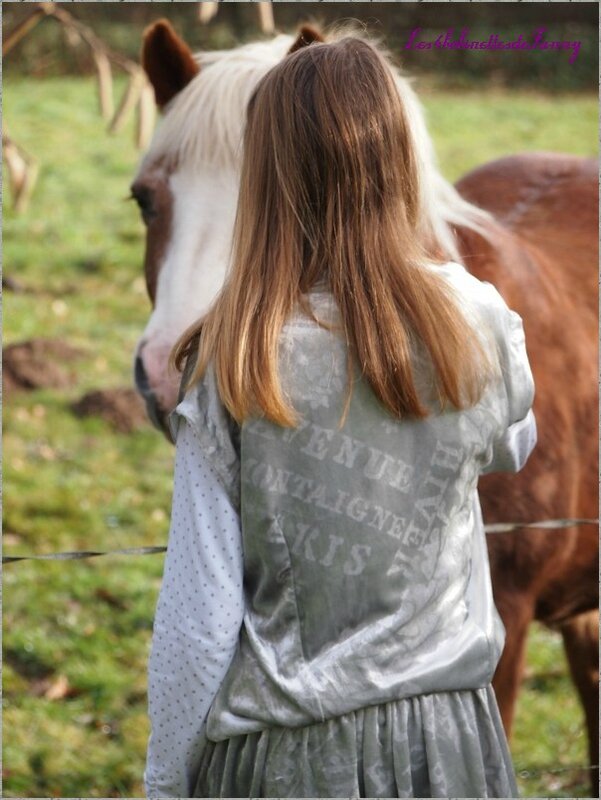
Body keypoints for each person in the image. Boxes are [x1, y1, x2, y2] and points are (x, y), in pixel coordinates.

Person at [144, 34, 536, 799]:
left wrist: (164, 779)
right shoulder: (478, 318)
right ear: (398, 162)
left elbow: (199, 615)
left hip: (279, 757)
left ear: (265, 175)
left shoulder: (232, 354)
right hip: (444, 741)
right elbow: (512, 445)